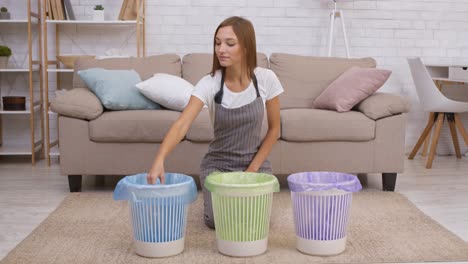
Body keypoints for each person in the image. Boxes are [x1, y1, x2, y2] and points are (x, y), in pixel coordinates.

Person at [147, 16, 284, 228]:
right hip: (218, 167)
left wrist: (251, 172)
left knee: (257, 220)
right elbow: (182, 124)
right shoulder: (210, 83)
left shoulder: (266, 79)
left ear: (246, 47)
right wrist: (159, 158)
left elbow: (275, 129)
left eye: (230, 44)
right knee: (219, 222)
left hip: (254, 163)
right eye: (217, 43)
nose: (221, 49)